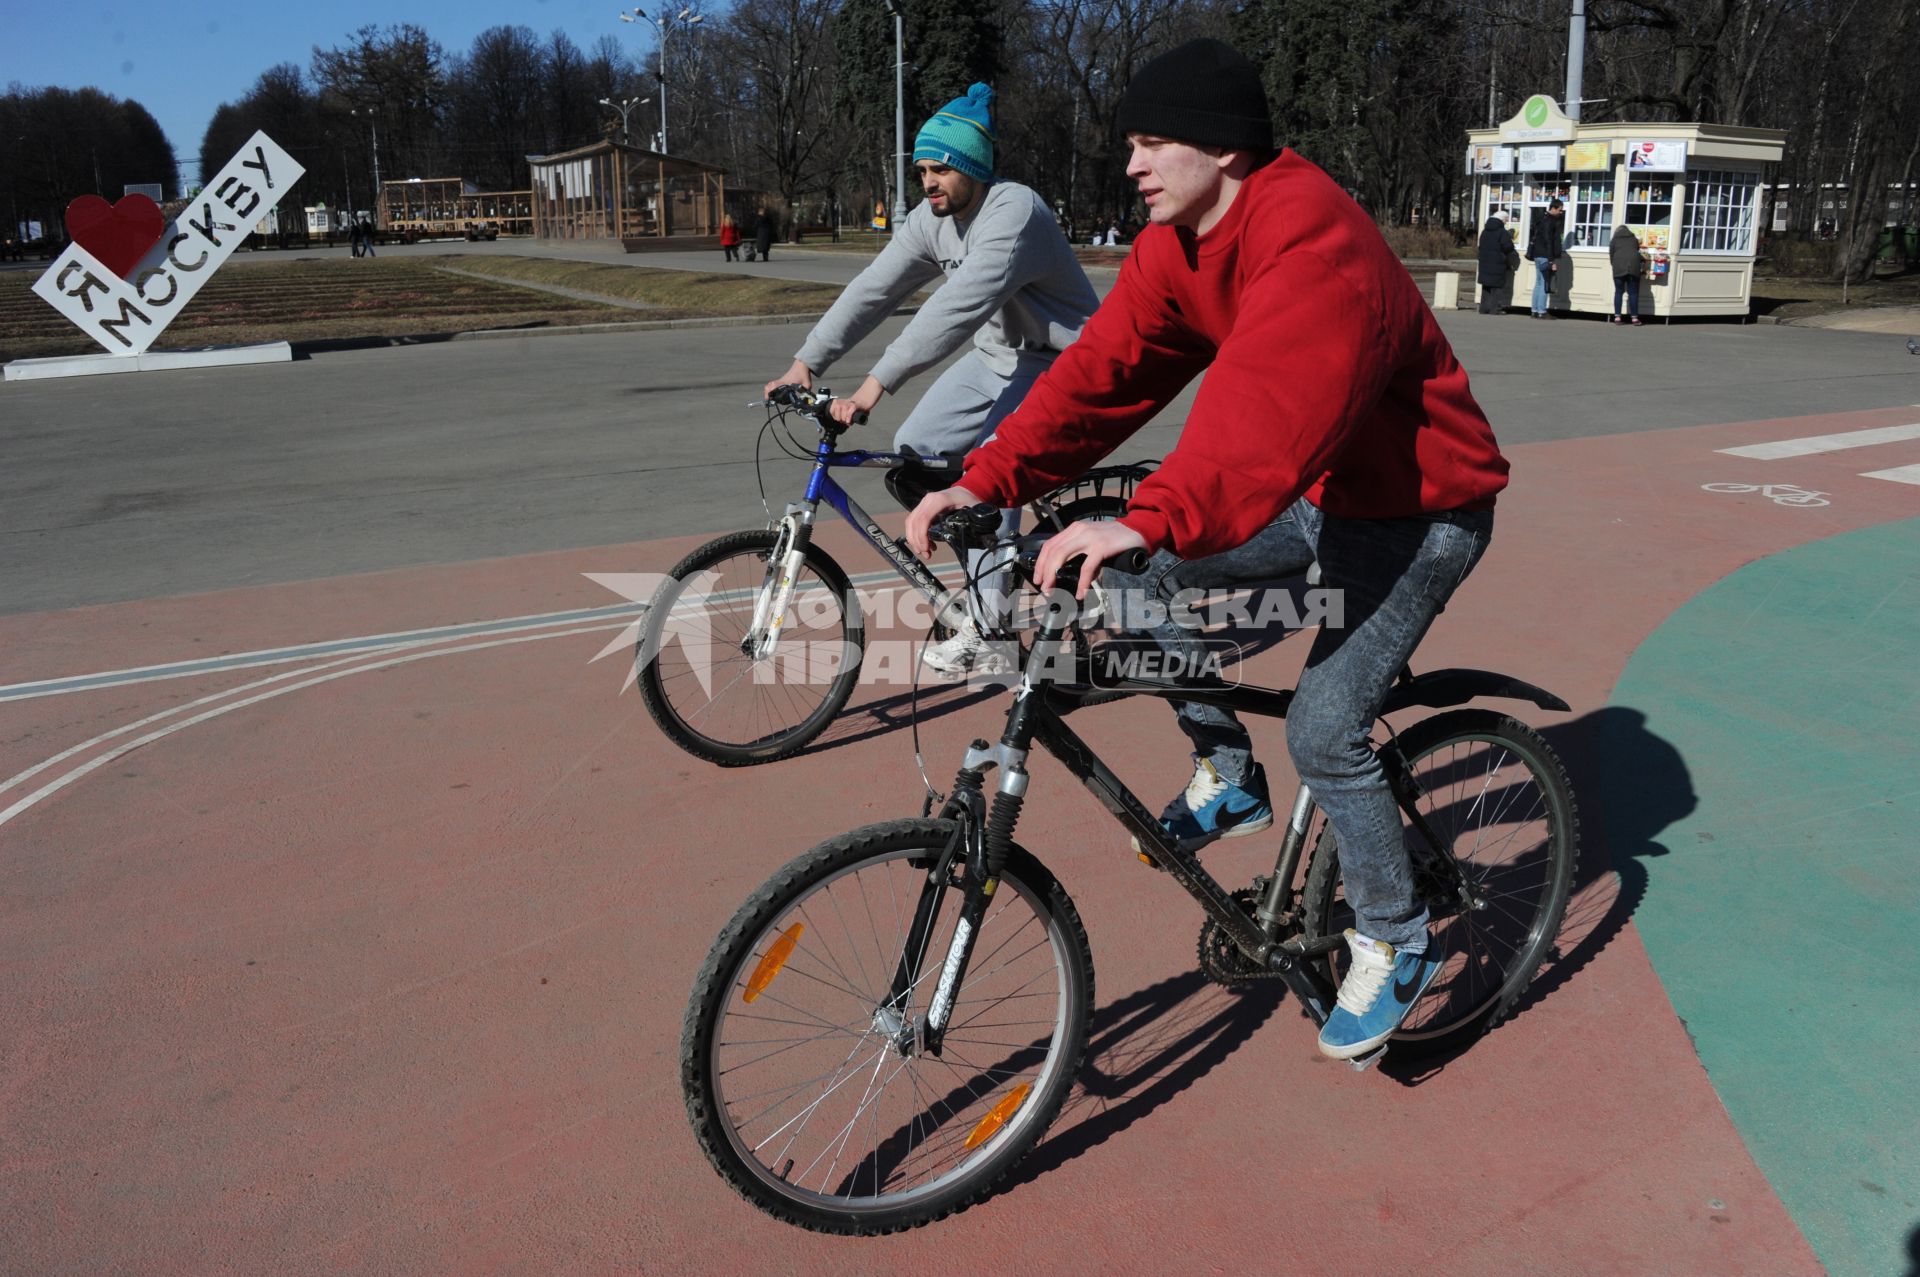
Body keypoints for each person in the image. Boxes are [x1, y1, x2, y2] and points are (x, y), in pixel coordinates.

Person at [903, 39, 1509, 1061]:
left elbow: (1263, 413)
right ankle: (1227, 770)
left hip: (1420, 513)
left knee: (1324, 725)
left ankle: (1398, 937)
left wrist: (1149, 509)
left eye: (1151, 143)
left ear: (1223, 150)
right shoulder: (1178, 244)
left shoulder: (1317, 247)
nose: (1132, 165)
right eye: (1129, 144)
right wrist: (987, 476)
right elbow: (1102, 374)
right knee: (1131, 579)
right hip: (1317, 496)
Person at [764, 82, 1098, 676]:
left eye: (940, 168)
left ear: (971, 166)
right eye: (921, 169)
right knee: (916, 452)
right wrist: (806, 360)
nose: (929, 181)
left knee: (992, 469)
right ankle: (990, 576)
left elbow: (957, 307)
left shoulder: (1014, 212)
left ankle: (991, 629)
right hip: (997, 358)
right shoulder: (930, 220)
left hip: (1061, 361)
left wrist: (874, 385)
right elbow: (875, 287)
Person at [1526, 197, 1564, 317]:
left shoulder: (1542, 219)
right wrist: (1551, 259)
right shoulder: (1550, 222)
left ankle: (1535, 310)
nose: (1561, 212)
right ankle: (1541, 311)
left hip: (1537, 254)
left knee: (1538, 282)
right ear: (1553, 208)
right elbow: (1549, 241)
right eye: (1560, 210)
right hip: (1545, 255)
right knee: (1544, 283)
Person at [1476, 211, 1519, 313]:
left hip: (1485, 261)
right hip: (1498, 262)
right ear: (1502, 220)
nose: (1506, 222)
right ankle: (1495, 309)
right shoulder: (1502, 232)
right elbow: (1508, 247)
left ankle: (1484, 308)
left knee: (1486, 286)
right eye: (1506, 220)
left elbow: (1480, 246)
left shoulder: (1485, 231)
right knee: (1497, 287)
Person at [1609, 225, 1644, 325]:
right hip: (1633, 267)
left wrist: (1614, 265)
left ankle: (1617, 318)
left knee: (1619, 291)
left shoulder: (1614, 240)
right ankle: (1634, 318)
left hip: (1618, 267)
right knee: (1633, 293)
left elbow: (1611, 254)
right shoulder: (1634, 239)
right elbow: (1636, 250)